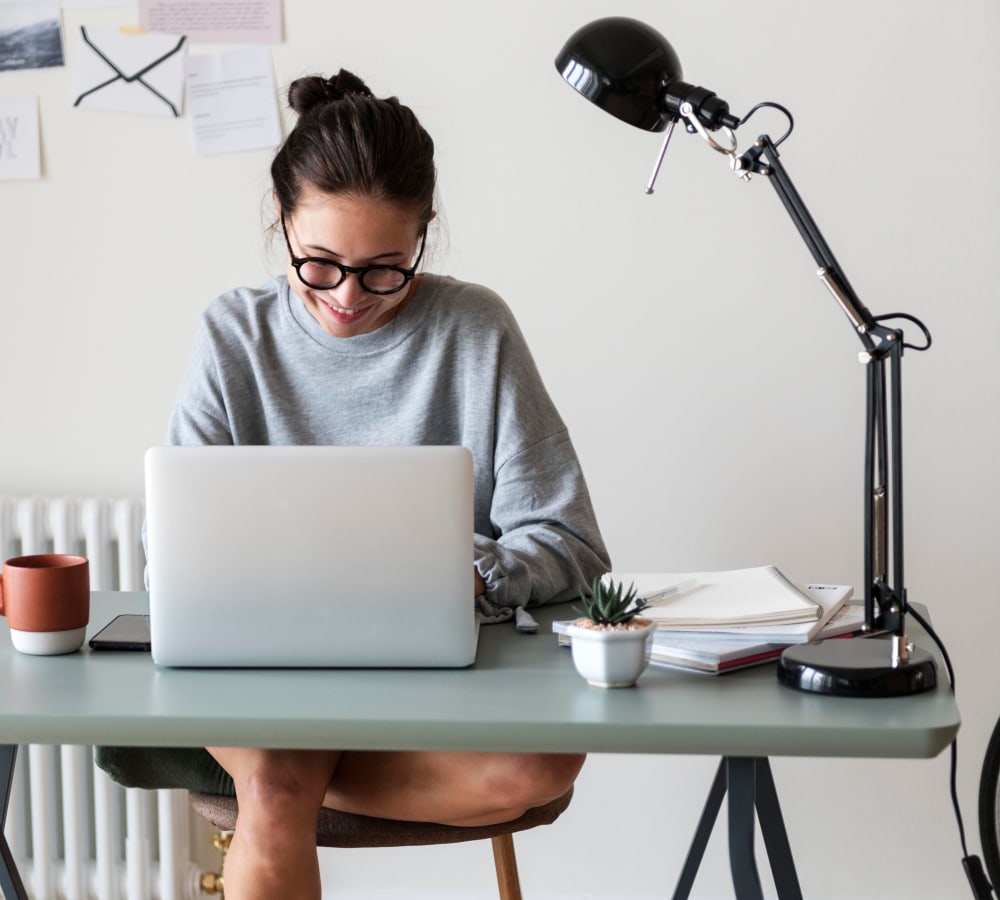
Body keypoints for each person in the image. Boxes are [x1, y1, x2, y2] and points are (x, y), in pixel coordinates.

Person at [163, 68, 610, 899]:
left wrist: (472, 573)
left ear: (424, 237)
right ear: (280, 219)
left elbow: (572, 543)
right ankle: (281, 787)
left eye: (383, 270)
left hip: (435, 682)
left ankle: (289, 780)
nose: (348, 298)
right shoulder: (232, 335)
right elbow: (179, 544)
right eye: (320, 264)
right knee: (275, 787)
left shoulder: (475, 329)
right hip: (261, 671)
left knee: (536, 767)